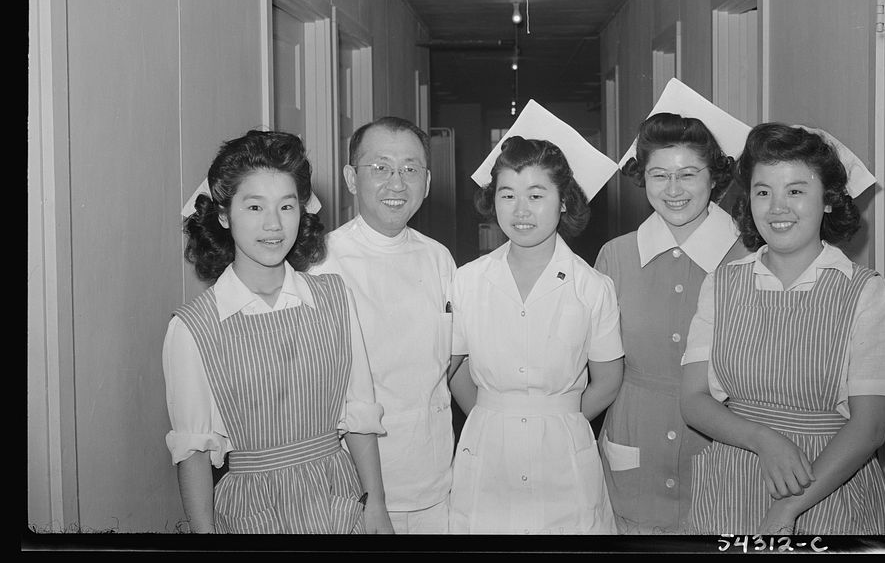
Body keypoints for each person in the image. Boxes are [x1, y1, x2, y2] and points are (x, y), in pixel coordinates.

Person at [163, 128, 392, 533]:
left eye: (287, 207)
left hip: (339, 503)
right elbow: (193, 454)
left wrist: (376, 509)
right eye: (254, 208)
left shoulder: (335, 298)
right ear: (223, 214)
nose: (273, 225)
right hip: (252, 513)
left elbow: (359, 415)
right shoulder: (192, 328)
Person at [680, 122, 885, 535]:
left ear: (829, 200)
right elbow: (692, 399)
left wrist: (787, 510)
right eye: (764, 192)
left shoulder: (866, 292)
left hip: (828, 489)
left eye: (796, 191)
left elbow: (869, 428)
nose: (777, 207)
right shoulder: (723, 283)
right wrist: (763, 439)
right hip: (733, 481)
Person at [447, 100, 624, 534]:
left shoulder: (592, 287)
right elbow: (455, 370)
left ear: (564, 202)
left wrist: (557, 418)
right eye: (507, 195)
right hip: (486, 451)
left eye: (536, 195)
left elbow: (608, 379)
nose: (520, 211)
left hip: (565, 452)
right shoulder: (467, 281)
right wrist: (495, 416)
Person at [595, 79, 752, 534]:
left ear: (715, 177)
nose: (673, 189)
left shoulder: (747, 257)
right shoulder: (615, 256)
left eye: (689, 174)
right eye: (659, 174)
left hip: (721, 445)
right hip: (632, 440)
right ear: (642, 178)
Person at [309, 116, 459, 534]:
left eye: (410, 170)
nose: (397, 184)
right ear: (350, 179)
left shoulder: (439, 258)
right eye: (380, 168)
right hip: (352, 490)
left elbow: (449, 365)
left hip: (435, 480)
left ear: (427, 182)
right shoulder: (320, 263)